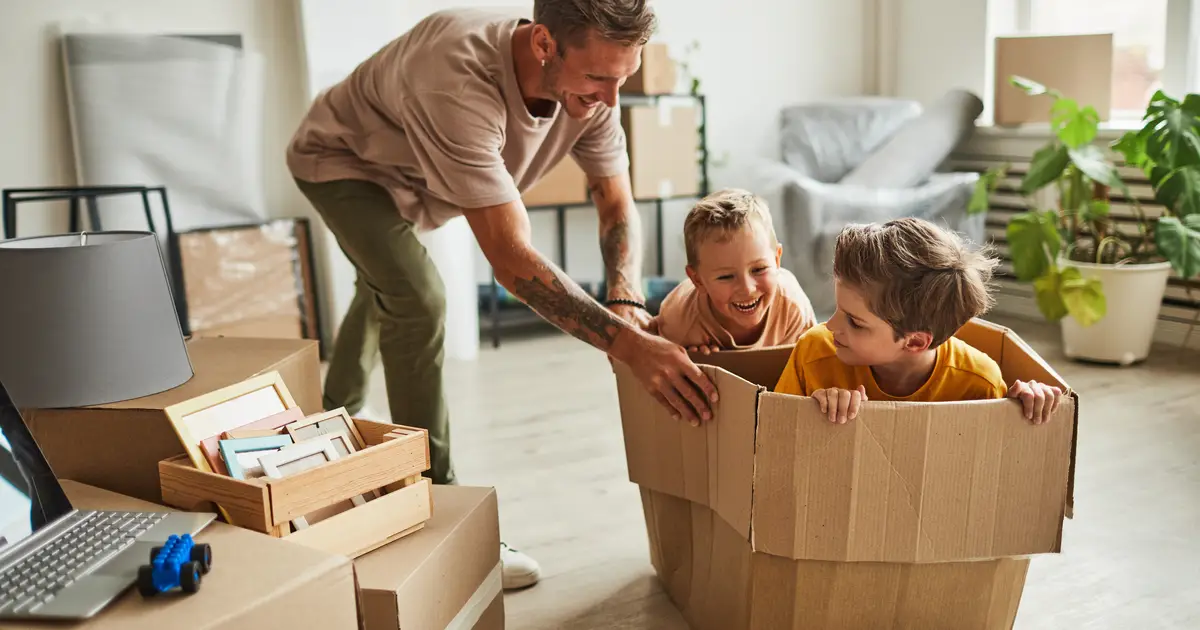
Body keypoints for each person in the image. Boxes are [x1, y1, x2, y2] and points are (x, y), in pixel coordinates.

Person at [286, 1, 717, 590]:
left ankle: (339, 409)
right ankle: (436, 513)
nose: (611, 99)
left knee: (390, 278)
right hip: (343, 160)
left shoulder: (593, 86)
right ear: (543, 43)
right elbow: (513, 263)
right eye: (598, 79)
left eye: (623, 79)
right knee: (417, 296)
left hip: (416, 175)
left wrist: (625, 296)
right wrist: (628, 348)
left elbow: (616, 203)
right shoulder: (458, 81)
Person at [773, 218, 1065, 423]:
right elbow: (773, 435)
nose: (832, 326)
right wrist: (812, 413)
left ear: (914, 341)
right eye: (838, 309)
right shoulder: (814, 352)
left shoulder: (978, 382)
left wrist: (1025, 405)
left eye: (855, 322)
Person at [654, 189, 816, 357]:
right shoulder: (679, 322)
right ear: (698, 281)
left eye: (759, 269)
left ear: (776, 260)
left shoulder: (792, 308)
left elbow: (816, 366)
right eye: (726, 277)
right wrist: (695, 361)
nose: (747, 289)